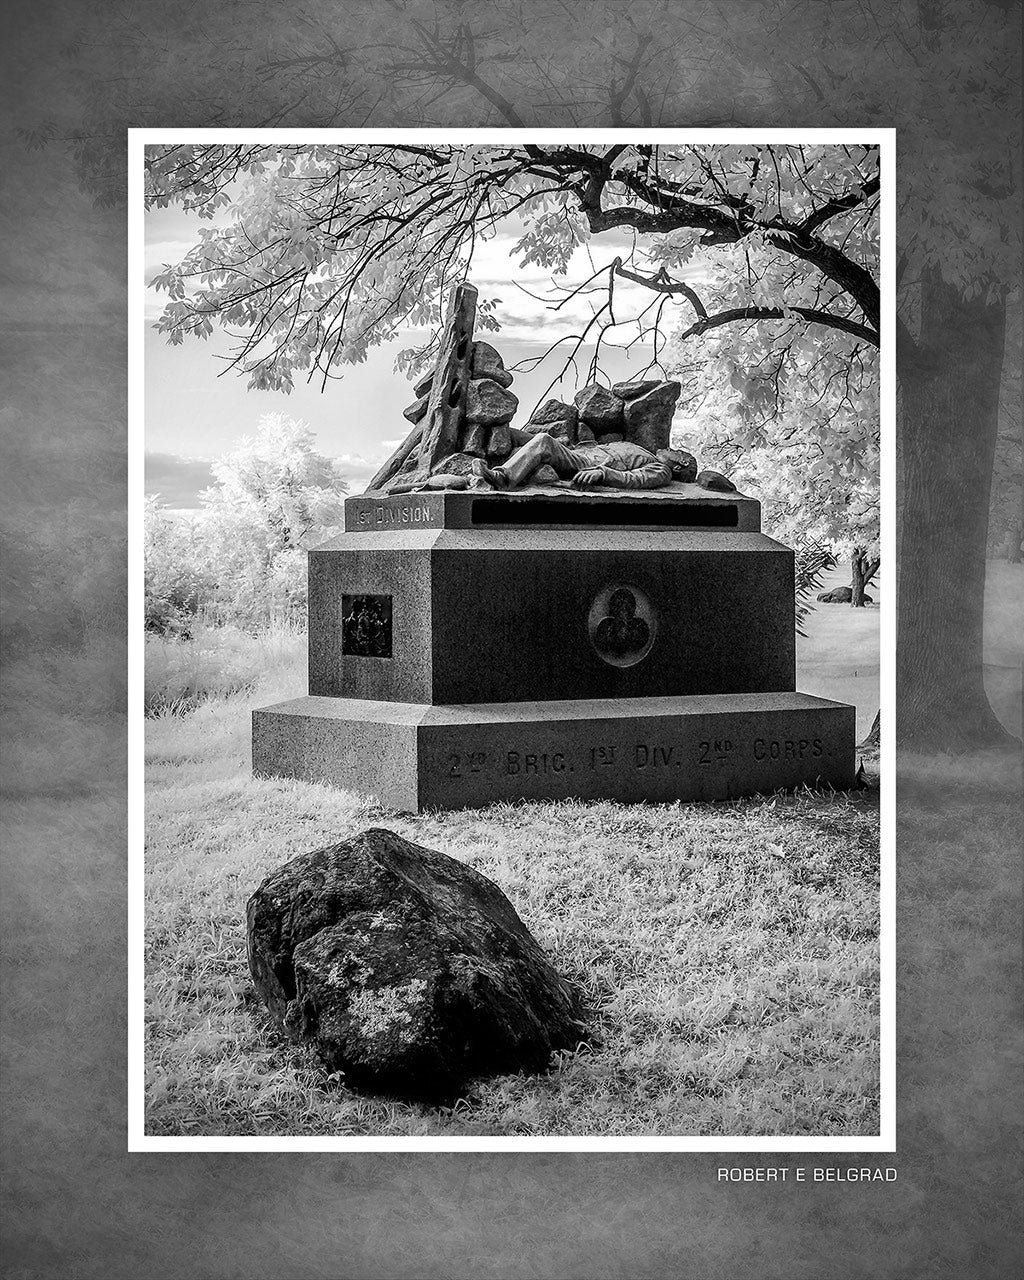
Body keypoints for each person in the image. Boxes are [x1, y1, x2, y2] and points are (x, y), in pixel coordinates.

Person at [473, 428, 686, 491]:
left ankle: (503, 477)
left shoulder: (661, 470)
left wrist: (602, 473)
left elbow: (634, 480)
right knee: (511, 432)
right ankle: (472, 462)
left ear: (680, 464)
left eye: (677, 452)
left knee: (543, 441)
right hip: (577, 453)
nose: (669, 448)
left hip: (586, 465)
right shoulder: (642, 450)